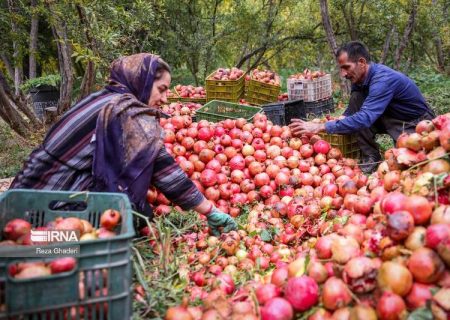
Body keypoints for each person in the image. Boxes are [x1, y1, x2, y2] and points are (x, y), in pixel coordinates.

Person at [10, 53, 237, 236]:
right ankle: (45, 244)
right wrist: (210, 210)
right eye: (162, 89)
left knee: (134, 215)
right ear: (144, 82)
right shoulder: (125, 112)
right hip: (47, 206)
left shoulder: (104, 99)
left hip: (23, 196)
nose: (166, 99)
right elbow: (164, 169)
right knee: (84, 240)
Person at [289, 41, 435, 173]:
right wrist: (344, 116)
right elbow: (355, 105)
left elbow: (364, 118)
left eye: (346, 67)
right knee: (357, 100)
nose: (343, 74)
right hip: (387, 114)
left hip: (414, 122)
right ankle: (371, 157)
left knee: (407, 165)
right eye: (341, 68)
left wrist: (318, 127)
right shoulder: (359, 78)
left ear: (362, 62)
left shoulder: (382, 80)